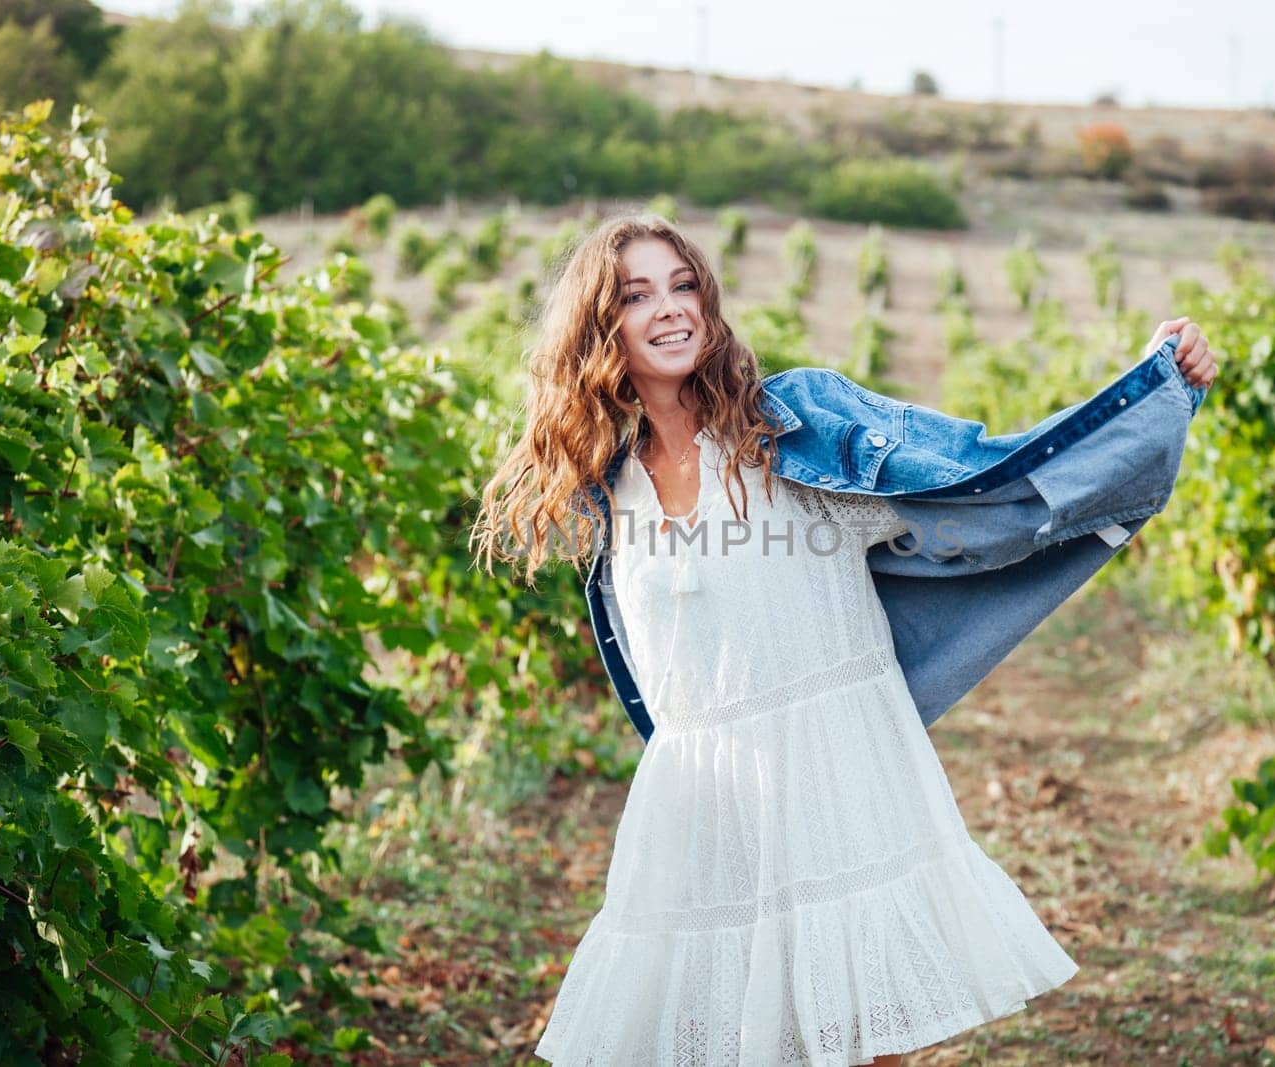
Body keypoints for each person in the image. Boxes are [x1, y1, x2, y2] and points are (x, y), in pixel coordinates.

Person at [471, 213, 1217, 1065]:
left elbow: (981, 477)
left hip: (837, 775)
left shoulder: (789, 429)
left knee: (862, 1041)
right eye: (638, 294)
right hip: (705, 806)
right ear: (602, 328)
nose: (670, 308)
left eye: (684, 286)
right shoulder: (612, 497)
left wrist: (1149, 388)